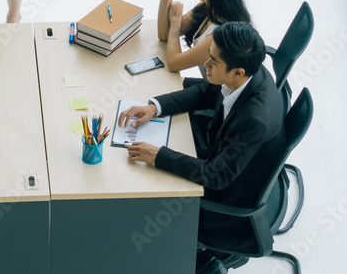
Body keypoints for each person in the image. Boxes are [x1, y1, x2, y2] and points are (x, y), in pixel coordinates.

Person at [120, 21, 284, 274]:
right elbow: (207, 92)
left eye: (213, 62)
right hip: (230, 162)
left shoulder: (254, 120)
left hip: (229, 196)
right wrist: (155, 107)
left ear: (237, 72)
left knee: (142, 202)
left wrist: (159, 156)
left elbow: (216, 176)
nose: (206, 65)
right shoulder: (252, 73)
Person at [157, 0, 251, 76]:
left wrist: (175, 22)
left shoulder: (221, 35)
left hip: (218, 92)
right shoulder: (211, 6)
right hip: (211, 86)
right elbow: (164, 35)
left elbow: (174, 64)